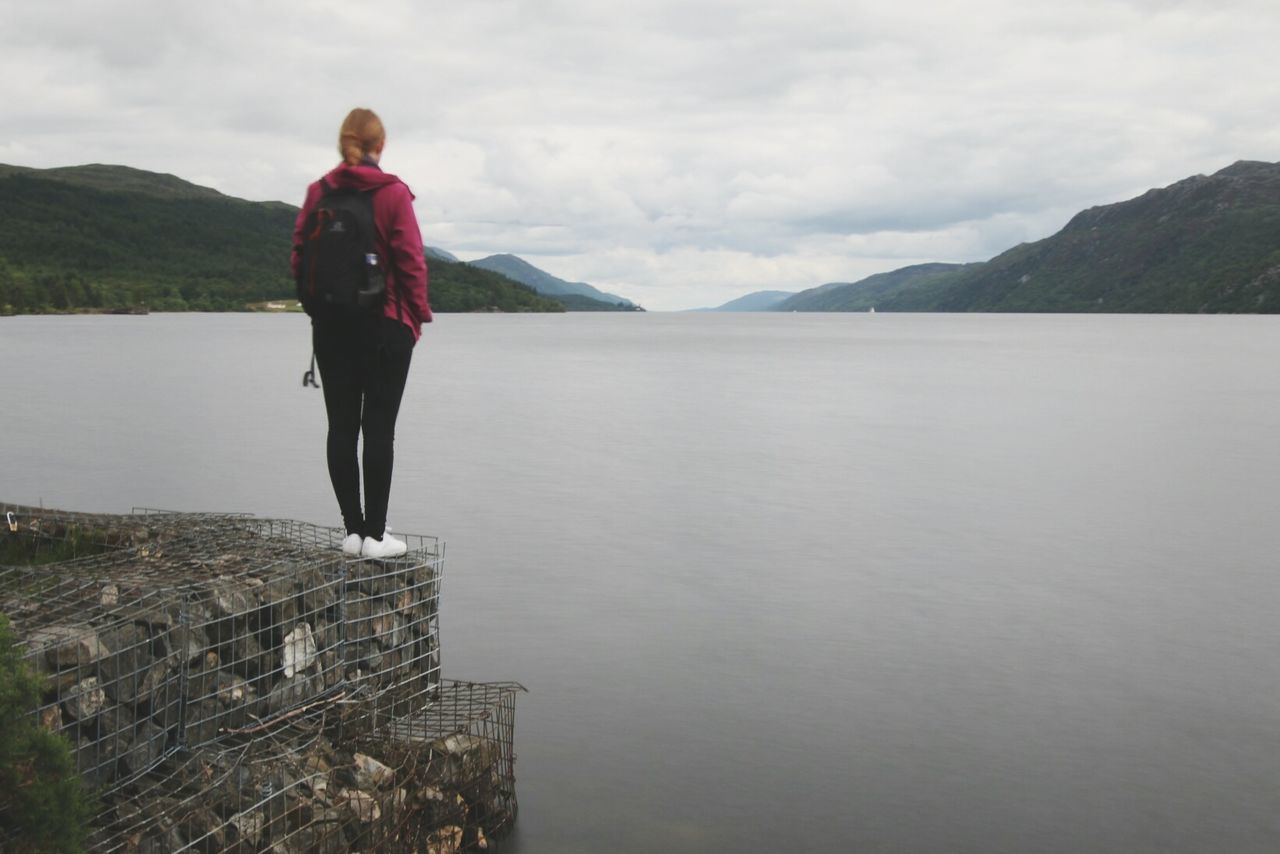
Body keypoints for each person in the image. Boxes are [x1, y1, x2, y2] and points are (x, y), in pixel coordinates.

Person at [291, 108, 431, 558]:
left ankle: (352, 532)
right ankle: (376, 536)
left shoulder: (318, 193)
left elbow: (298, 259)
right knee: (379, 430)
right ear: (380, 146)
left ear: (342, 144)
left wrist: (319, 313)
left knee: (341, 428)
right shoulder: (392, 193)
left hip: (331, 330)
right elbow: (411, 262)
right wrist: (416, 318)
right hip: (385, 327)